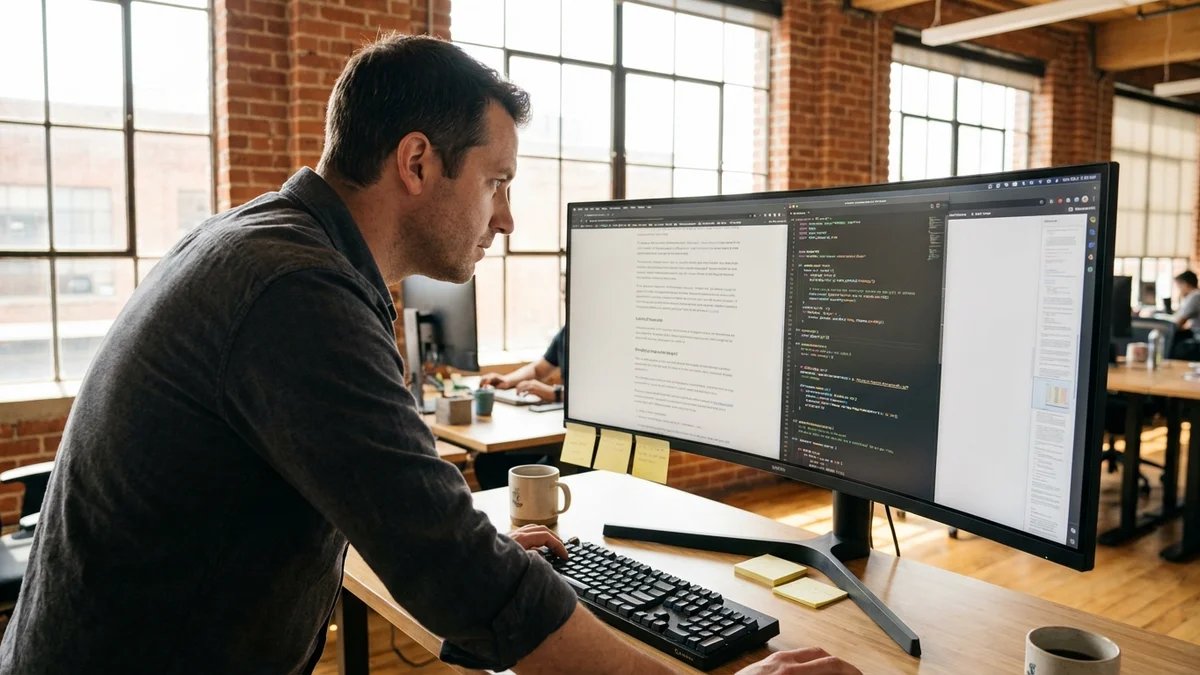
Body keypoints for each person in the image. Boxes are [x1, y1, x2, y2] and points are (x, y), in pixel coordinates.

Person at [0, 35, 859, 675]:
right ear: (417, 161)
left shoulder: (266, 243)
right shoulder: (295, 292)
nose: (508, 217)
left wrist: (476, 552)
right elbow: (456, 577)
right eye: (498, 182)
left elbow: (381, 503)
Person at [480, 324, 565, 403]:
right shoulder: (565, 333)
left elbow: (578, 396)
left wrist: (555, 393)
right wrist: (507, 380)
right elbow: (538, 370)